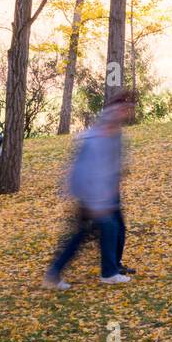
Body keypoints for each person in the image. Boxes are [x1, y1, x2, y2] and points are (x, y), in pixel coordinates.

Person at [43, 90, 137, 290]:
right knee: (102, 230)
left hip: (107, 192)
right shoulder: (95, 138)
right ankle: (108, 272)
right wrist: (93, 201)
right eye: (124, 110)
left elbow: (115, 163)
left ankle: (110, 268)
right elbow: (81, 171)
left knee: (108, 229)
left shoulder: (115, 134)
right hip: (93, 195)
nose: (126, 114)